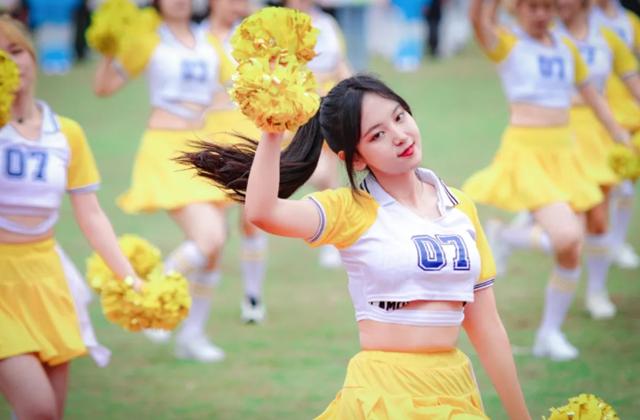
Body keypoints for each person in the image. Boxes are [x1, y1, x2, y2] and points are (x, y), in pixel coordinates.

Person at [179, 74, 530, 419]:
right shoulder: (350, 209)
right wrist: (272, 131)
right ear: (356, 158)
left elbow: (487, 327)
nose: (399, 136)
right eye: (377, 135)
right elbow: (263, 212)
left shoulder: (460, 208)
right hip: (382, 394)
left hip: (453, 388)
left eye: (399, 117)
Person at [462, 0, 631, 361]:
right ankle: (505, 239)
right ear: (517, 9)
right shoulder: (508, 43)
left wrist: (620, 135)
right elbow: (477, 18)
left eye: (547, 7)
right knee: (567, 236)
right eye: (532, 7)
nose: (540, 14)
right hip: (527, 155)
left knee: (572, 248)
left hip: (566, 156)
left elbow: (594, 97)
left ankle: (548, 333)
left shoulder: (567, 46)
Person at [0, 14, 140, 419]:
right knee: (38, 407)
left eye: (16, 50)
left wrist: (128, 276)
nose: (10, 63)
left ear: (33, 56)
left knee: (50, 413)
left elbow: (91, 214)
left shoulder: (66, 133)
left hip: (47, 277)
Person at [93, 0, 232, 362]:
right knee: (210, 237)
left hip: (204, 148)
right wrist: (108, 49)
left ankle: (192, 335)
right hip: (165, 149)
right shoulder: (148, 39)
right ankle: (151, 296)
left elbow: (226, 93)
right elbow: (103, 87)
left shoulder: (208, 40)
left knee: (214, 248)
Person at [555, 0, 640, 319]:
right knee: (567, 229)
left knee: (599, 219)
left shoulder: (608, 38)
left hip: (597, 137)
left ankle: (596, 292)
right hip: (558, 138)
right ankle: (507, 237)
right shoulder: (545, 37)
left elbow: (633, 81)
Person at [204, 0, 269, 323]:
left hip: (249, 137)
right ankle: (196, 308)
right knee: (212, 229)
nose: (238, 5)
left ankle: (253, 298)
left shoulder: (253, 38)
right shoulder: (198, 39)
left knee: (252, 218)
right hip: (213, 139)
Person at [285, 0, 353, 268]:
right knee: (320, 173)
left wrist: (354, 91)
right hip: (297, 107)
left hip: (329, 104)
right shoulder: (279, 24)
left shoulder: (326, 22)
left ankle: (333, 240)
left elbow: (340, 63)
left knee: (329, 177)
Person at [593, 0, 640, 270]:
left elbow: (631, 71)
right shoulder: (577, 19)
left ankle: (617, 242)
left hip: (628, 115)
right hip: (597, 117)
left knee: (626, 182)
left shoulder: (629, 22)